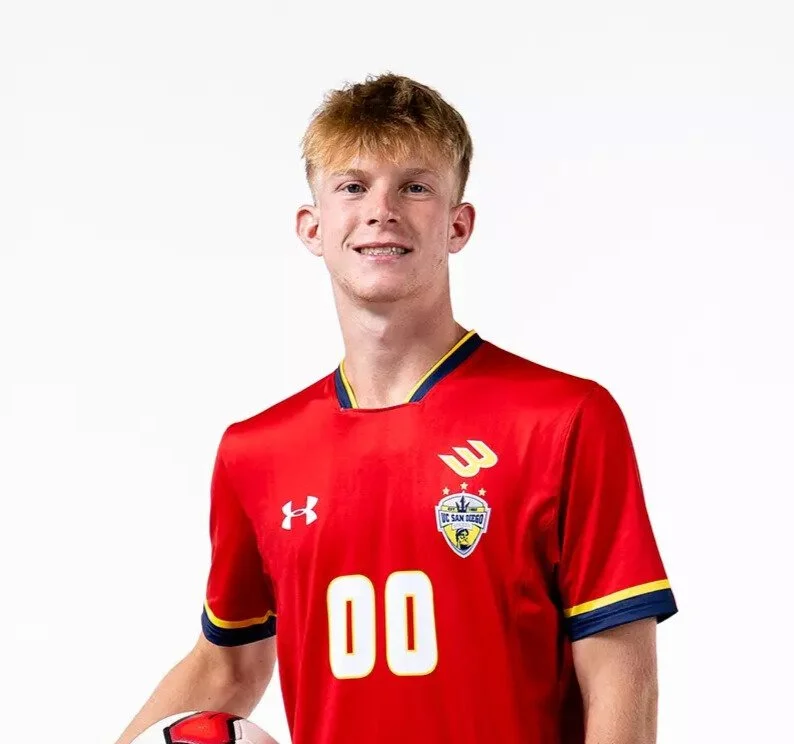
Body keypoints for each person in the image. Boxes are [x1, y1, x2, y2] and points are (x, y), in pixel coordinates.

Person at [116, 72, 677, 744]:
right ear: (313, 226)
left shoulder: (565, 418)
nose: (382, 209)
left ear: (457, 224)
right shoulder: (255, 452)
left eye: (415, 186)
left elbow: (620, 672)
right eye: (353, 186)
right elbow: (227, 663)